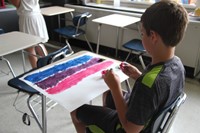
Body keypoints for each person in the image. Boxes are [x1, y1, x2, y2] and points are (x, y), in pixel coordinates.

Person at [70, 0, 188, 133]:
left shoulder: (148, 84)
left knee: (75, 112)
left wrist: (116, 87)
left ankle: (107, 127)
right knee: (107, 93)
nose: (141, 37)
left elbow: (131, 129)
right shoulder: (177, 64)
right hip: (149, 118)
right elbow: (160, 91)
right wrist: (138, 76)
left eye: (142, 34)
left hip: (126, 127)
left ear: (153, 36)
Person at [9, 0, 49, 68]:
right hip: (37, 15)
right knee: (40, 45)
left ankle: (36, 71)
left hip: (27, 18)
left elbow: (17, 4)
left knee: (30, 48)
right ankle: (49, 68)